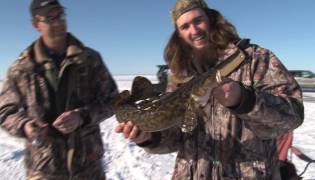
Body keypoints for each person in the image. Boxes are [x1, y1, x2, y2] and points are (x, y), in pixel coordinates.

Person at [115, 0, 304, 179]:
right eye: (185, 26)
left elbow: (293, 115)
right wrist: (148, 137)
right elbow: (177, 136)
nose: (194, 30)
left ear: (211, 20)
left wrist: (245, 100)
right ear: (179, 34)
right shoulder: (180, 75)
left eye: (198, 21)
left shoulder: (256, 59)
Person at [0, 0, 118, 179]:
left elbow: (113, 101)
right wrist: (25, 126)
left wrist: (82, 116)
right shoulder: (22, 68)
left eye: (60, 15)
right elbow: (5, 111)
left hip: (88, 168)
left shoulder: (90, 60)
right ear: (36, 25)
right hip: (44, 170)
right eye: (49, 17)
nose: (57, 22)